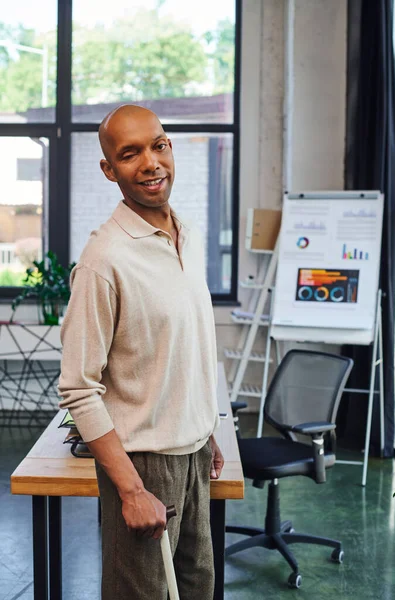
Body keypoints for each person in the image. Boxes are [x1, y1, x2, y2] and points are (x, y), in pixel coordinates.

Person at [58, 104, 224, 600]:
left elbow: (182, 347)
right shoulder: (103, 260)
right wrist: (131, 490)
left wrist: (202, 426)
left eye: (159, 145)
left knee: (196, 589)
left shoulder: (186, 235)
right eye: (130, 154)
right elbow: (78, 389)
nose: (151, 162)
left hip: (194, 456)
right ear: (110, 170)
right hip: (143, 466)